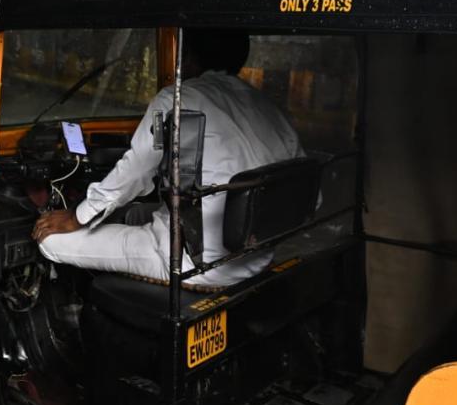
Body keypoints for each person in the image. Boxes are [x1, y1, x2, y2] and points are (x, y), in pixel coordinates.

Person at [32, 29, 303, 287]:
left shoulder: (177, 99)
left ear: (189, 56)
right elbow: (305, 191)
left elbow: (136, 173)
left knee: (51, 241)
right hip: (256, 258)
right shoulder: (267, 107)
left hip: (193, 263)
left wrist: (77, 217)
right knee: (134, 212)